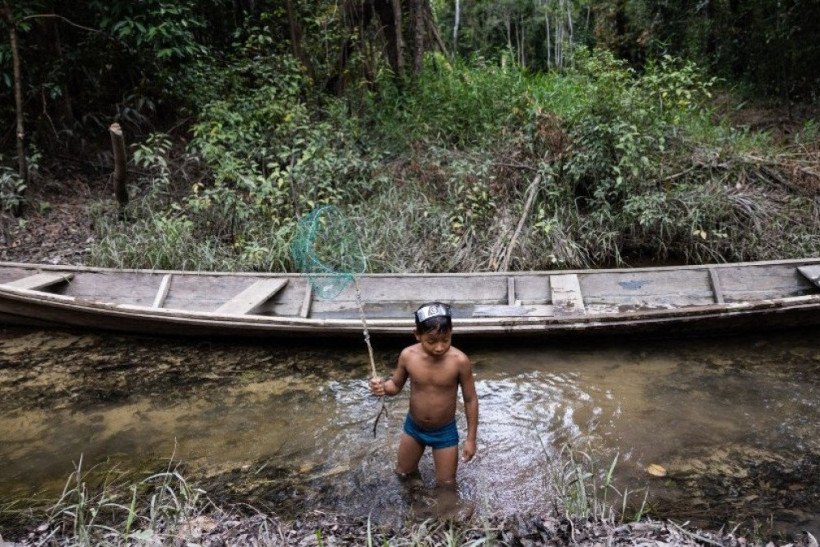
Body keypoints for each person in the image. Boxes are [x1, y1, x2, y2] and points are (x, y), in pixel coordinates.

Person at [369, 302, 478, 488]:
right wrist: (381, 388)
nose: (439, 347)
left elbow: (470, 400)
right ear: (417, 334)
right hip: (414, 428)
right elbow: (395, 385)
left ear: (451, 332)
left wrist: (471, 439)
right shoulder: (408, 356)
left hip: (445, 432)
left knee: (446, 484)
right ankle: (416, 502)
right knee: (403, 474)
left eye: (446, 339)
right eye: (431, 341)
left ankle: (445, 514)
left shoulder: (459, 361)